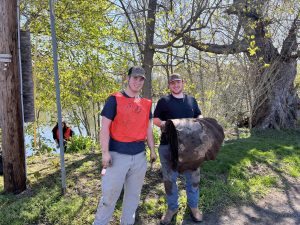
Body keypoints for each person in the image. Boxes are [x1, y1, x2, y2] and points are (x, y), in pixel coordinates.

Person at [93, 66, 157, 225]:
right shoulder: (114, 99)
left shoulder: (146, 104)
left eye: (141, 79)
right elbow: (105, 128)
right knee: (109, 197)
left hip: (139, 157)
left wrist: (152, 150)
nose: (138, 81)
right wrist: (105, 152)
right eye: (135, 78)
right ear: (127, 78)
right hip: (117, 156)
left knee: (133, 198)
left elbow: (148, 129)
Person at [153, 73, 203, 224]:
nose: (175, 85)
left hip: (190, 146)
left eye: (178, 82)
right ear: (169, 85)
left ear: (183, 83)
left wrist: (199, 122)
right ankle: (172, 207)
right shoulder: (163, 101)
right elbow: (155, 119)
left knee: (193, 177)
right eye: (172, 83)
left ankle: (193, 206)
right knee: (169, 179)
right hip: (168, 146)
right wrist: (163, 125)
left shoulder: (191, 100)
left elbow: (199, 115)